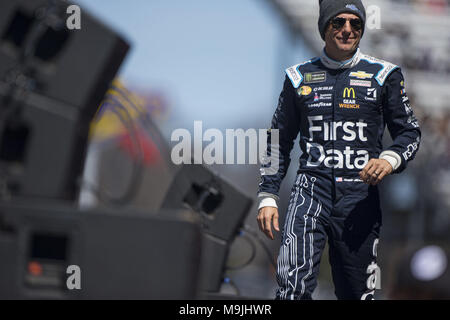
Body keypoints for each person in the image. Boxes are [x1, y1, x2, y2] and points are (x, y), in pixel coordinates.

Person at [256, 0, 421, 300]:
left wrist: (389, 159)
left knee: (356, 293)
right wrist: (267, 194)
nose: (347, 30)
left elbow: (409, 133)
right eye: (338, 22)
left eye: (355, 23)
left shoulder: (384, 75)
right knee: (291, 286)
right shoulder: (298, 77)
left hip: (360, 197)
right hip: (310, 191)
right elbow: (278, 140)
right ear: (324, 27)